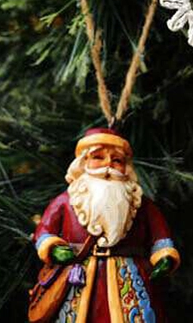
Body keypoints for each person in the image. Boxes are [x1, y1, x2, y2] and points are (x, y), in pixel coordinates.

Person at [32, 128, 180, 322]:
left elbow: (160, 236)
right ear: (83, 163)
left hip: (129, 274)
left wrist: (164, 257)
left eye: (117, 160)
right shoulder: (66, 200)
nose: (108, 164)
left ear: (126, 167)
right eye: (98, 157)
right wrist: (53, 248)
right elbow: (44, 231)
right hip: (79, 275)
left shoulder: (140, 203)